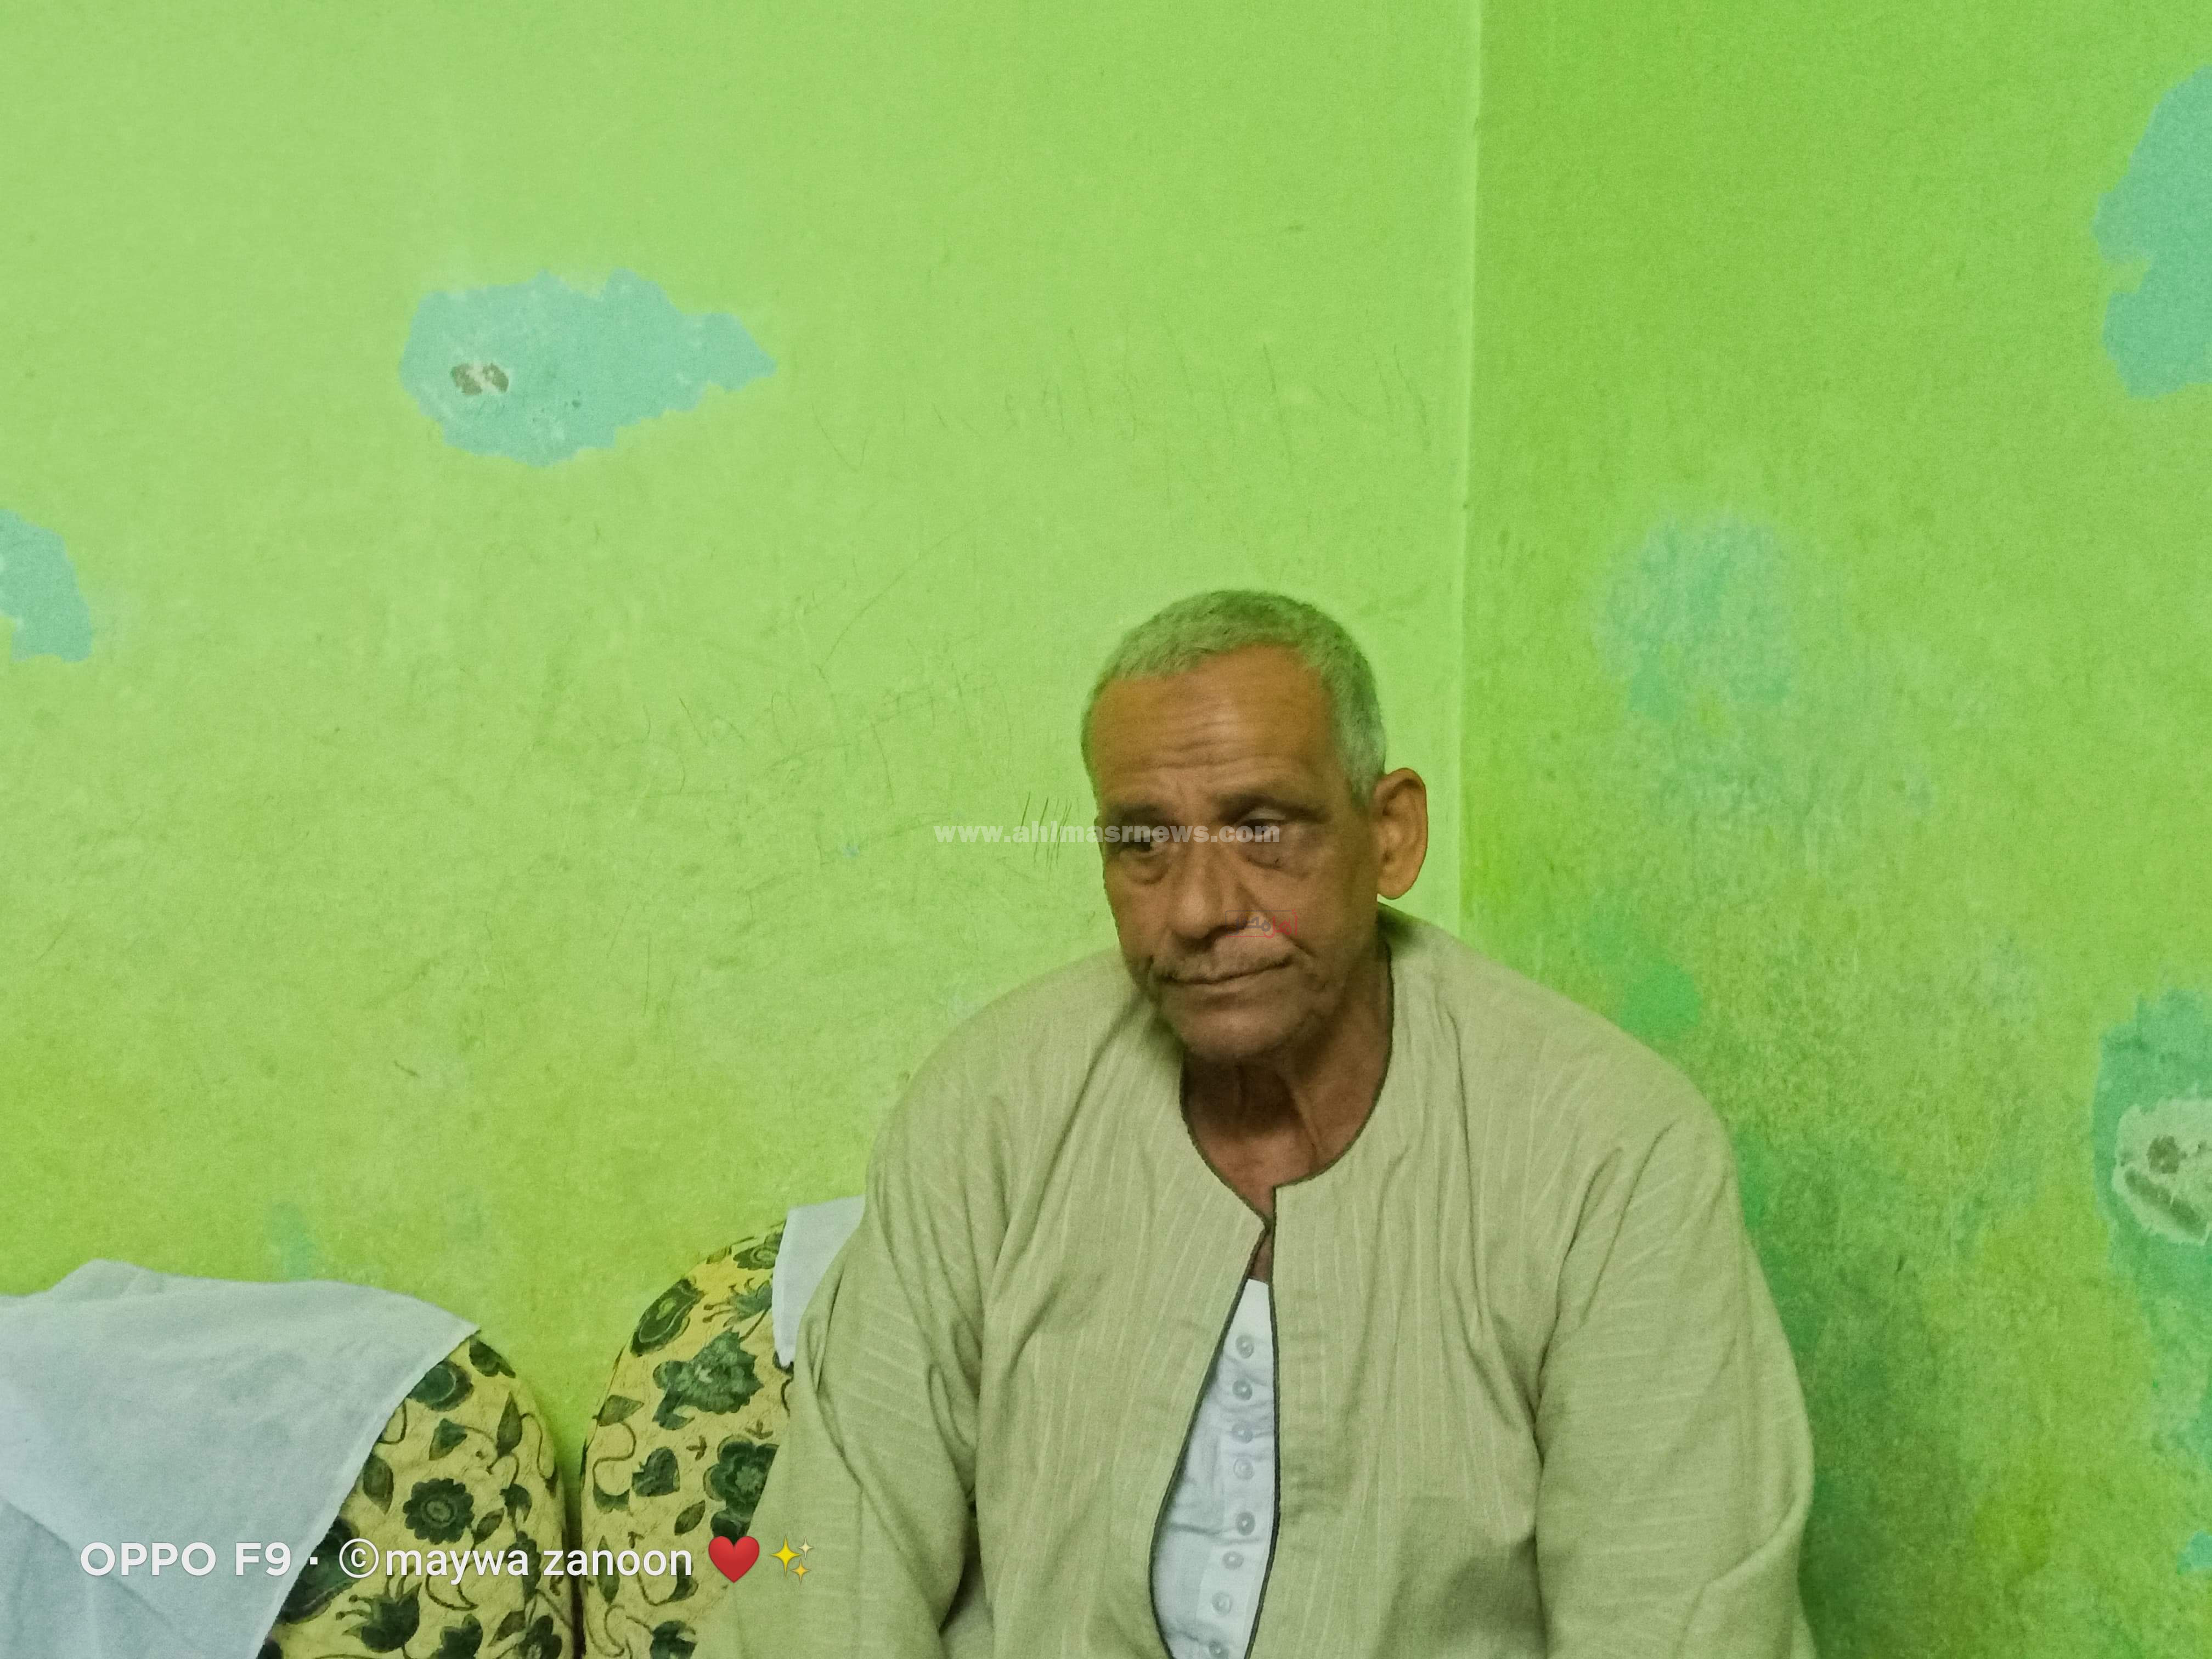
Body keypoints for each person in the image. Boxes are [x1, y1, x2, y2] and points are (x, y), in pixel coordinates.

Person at [702, 590, 1816, 1658]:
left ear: (1390, 833)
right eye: (1144, 842)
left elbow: (1677, 1618)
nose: (1199, 909)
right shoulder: (993, 1107)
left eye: (1263, 827)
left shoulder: (1610, 1153)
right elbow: (835, 1568)